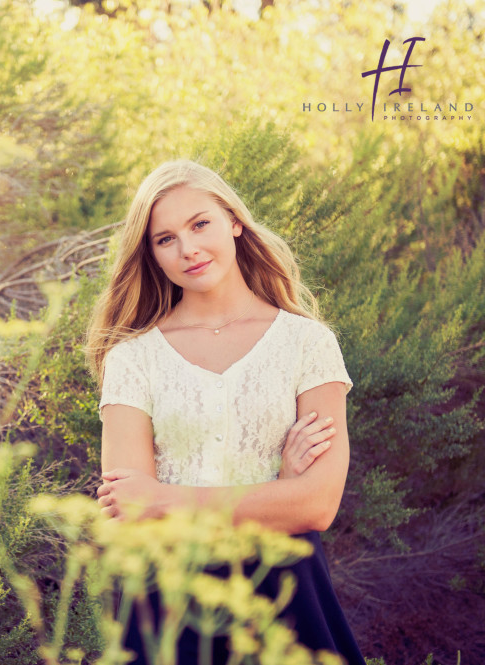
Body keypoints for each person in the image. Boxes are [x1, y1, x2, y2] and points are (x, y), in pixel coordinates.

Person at [86, 160, 365, 664]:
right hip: (166, 608)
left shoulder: (308, 345)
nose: (188, 248)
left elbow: (318, 504)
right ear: (150, 254)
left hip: (284, 596)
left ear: (234, 220)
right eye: (164, 239)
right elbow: (132, 513)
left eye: (200, 224)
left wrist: (165, 499)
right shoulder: (133, 358)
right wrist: (278, 488)